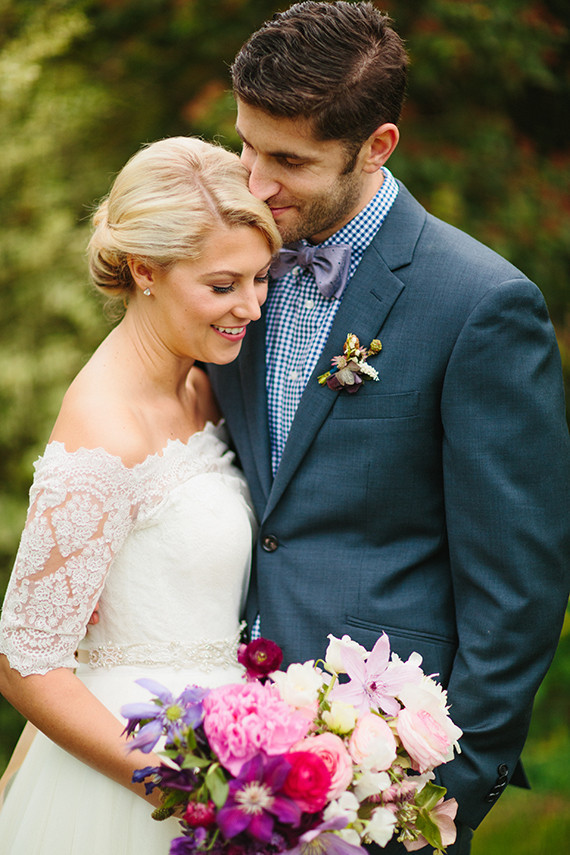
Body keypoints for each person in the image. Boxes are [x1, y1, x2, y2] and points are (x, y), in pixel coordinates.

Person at [207, 3, 570, 853]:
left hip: (377, 773)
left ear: (377, 146)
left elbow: (518, 587)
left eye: (288, 161)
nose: (254, 182)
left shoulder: (481, 304)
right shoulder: (224, 269)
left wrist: (438, 797)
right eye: (245, 145)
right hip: (212, 750)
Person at [0, 136, 281, 854]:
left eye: (259, 278)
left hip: (232, 747)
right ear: (144, 270)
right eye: (223, 285)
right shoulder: (103, 431)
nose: (250, 307)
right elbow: (25, 664)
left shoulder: (202, 384)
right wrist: (182, 789)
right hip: (133, 779)